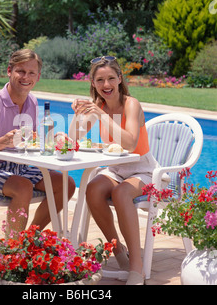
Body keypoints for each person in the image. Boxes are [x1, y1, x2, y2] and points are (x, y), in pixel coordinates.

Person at [69, 56, 168, 285]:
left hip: (144, 171)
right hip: (116, 170)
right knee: (92, 189)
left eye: (111, 78)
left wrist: (101, 115)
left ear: (120, 78)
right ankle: (117, 249)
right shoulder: (98, 106)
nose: (106, 84)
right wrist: (78, 115)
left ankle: (136, 267)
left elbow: (131, 143)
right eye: (100, 80)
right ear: (93, 83)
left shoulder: (130, 104)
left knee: (122, 193)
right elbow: (74, 138)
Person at [0, 49, 76, 235]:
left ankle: (29, 238)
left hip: (20, 167)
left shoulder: (31, 102)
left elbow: (29, 141)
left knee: (66, 184)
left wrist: (54, 137)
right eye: (21, 71)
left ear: (38, 76)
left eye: (31, 73)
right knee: (23, 187)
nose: (26, 77)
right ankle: (13, 251)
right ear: (9, 71)